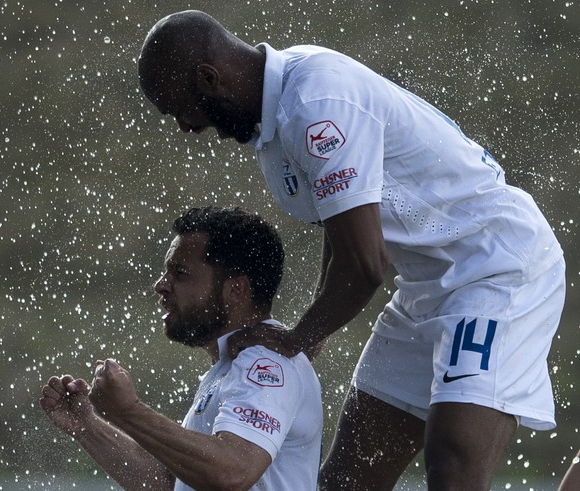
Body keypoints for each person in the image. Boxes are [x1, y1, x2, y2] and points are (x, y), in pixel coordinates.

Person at [138, 11, 565, 491]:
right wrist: (311, 334)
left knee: (450, 459)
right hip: (426, 287)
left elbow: (364, 265)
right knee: (346, 482)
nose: (187, 127)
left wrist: (300, 337)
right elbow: (340, 228)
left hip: (498, 268)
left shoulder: (316, 100)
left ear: (209, 78)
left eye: (181, 110)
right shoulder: (275, 126)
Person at [40, 206, 322, 490]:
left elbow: (232, 473)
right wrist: (87, 426)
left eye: (180, 273)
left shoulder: (266, 362)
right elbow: (168, 483)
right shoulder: (229, 366)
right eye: (167, 272)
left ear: (236, 290)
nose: (161, 285)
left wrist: (128, 412)